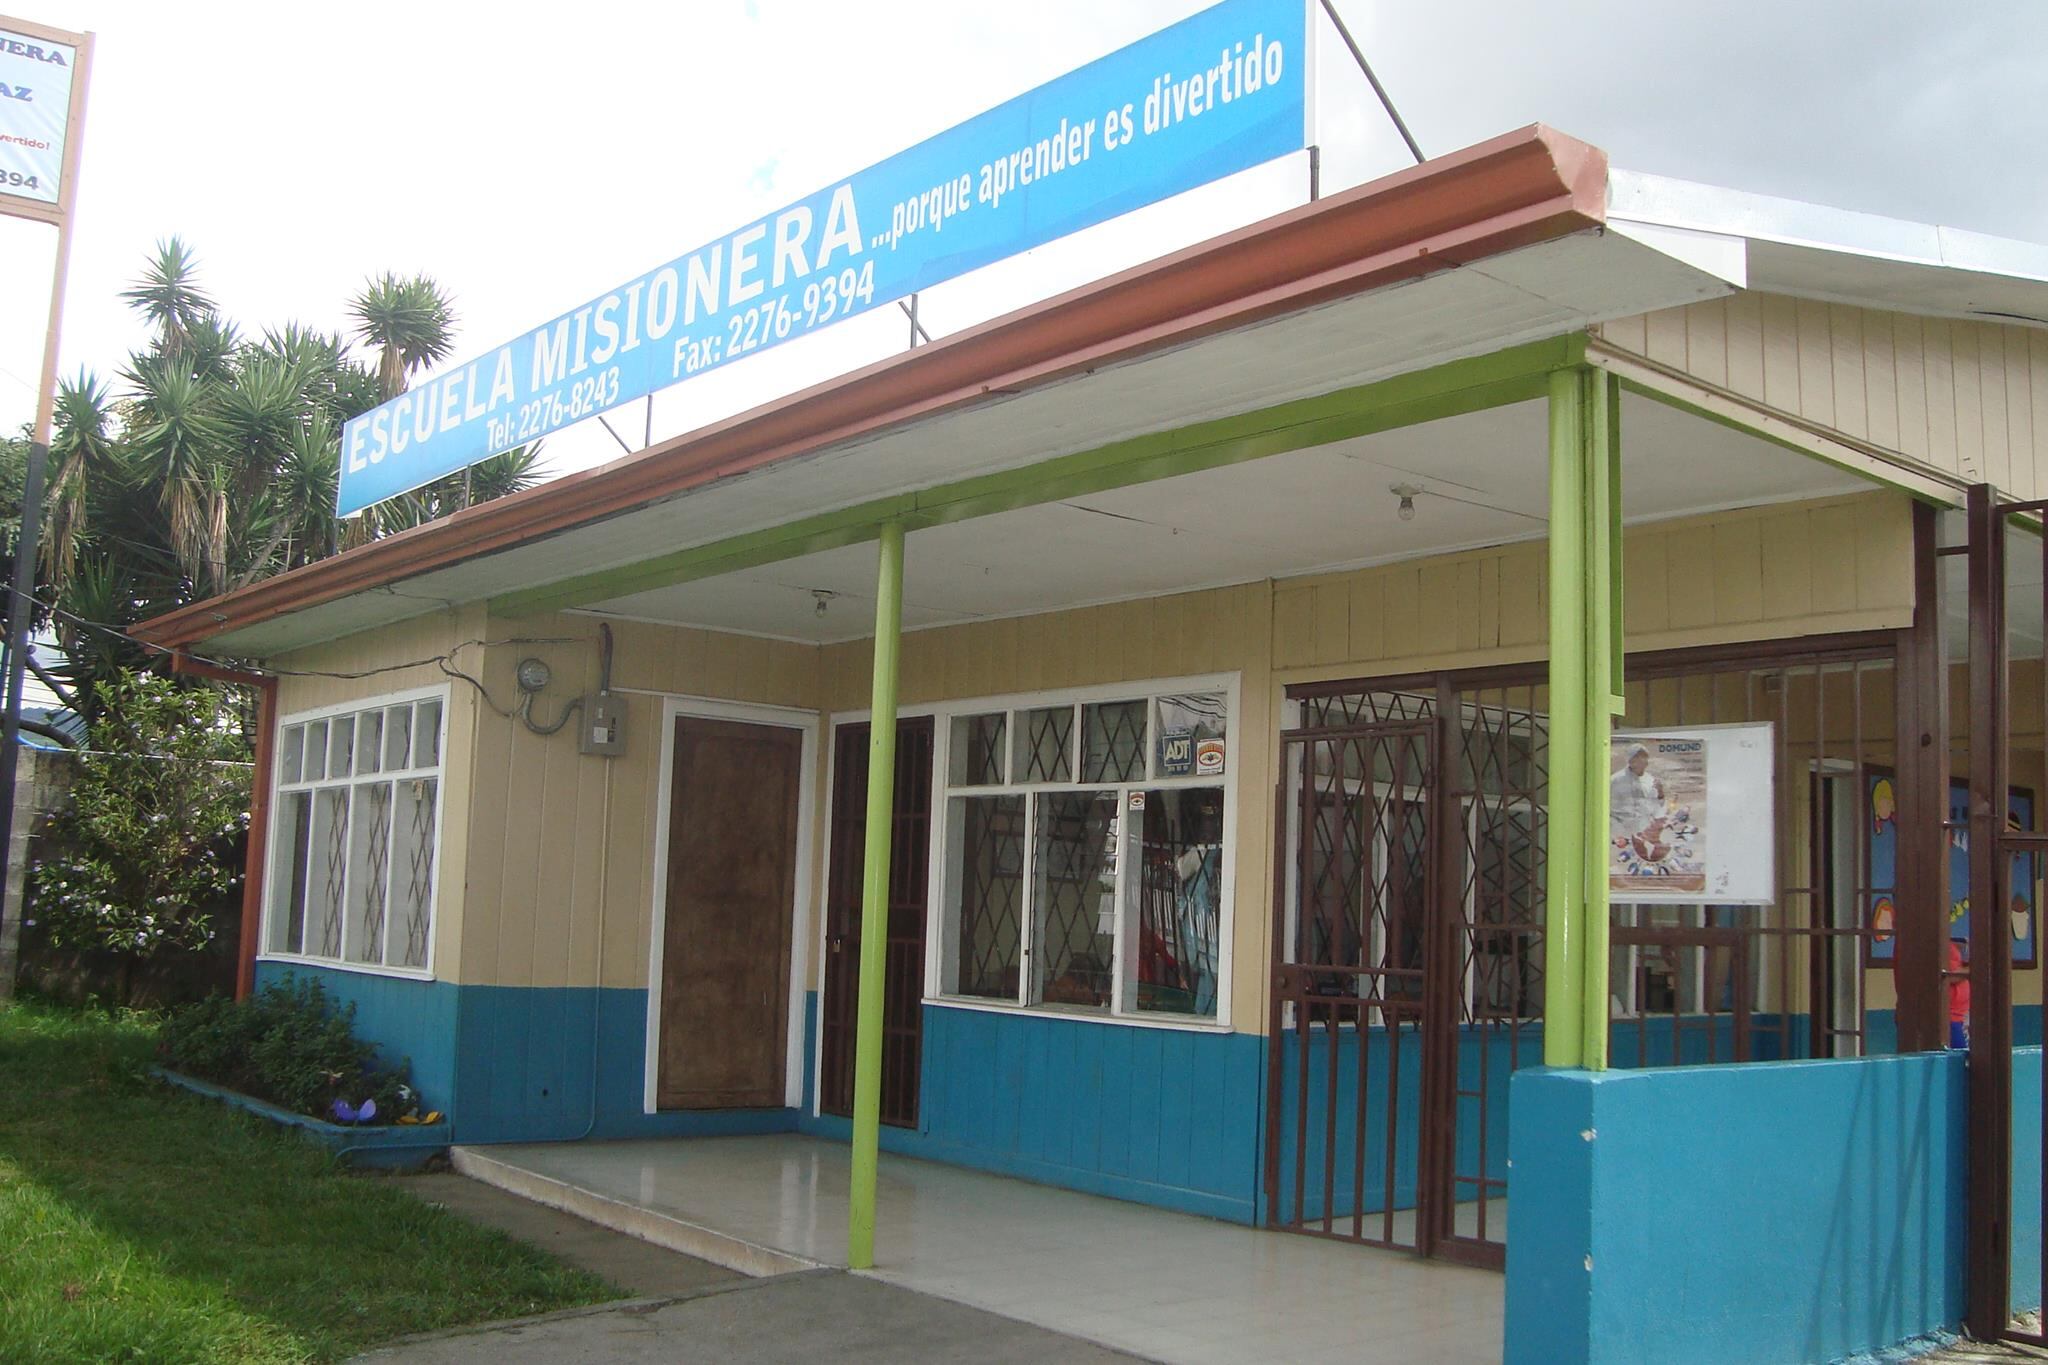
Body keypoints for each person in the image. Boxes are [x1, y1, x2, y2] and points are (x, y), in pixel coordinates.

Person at [1611, 745, 1666, 839]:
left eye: (1644, 757)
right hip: (1619, 833)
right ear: (1630, 760)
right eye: (1636, 757)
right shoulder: (1615, 780)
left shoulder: (1650, 781)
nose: (1641, 760)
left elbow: (1657, 807)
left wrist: (1660, 793)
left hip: (1643, 832)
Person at [1948, 936, 1971, 1050]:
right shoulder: (1944, 947)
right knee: (1960, 1056)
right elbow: (1952, 976)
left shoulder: (1950, 946)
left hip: (1960, 1016)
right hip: (1951, 1017)